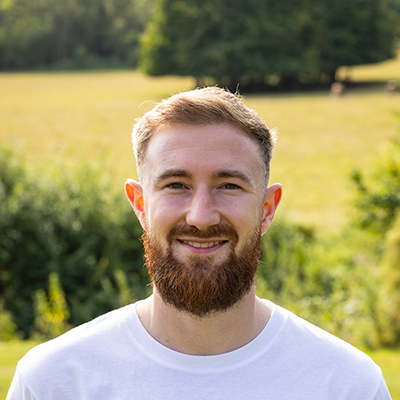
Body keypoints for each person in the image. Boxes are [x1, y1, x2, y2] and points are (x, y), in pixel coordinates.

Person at [7, 87, 391, 400]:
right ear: (140, 204)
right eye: (176, 185)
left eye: (229, 186)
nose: (201, 216)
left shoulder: (347, 385)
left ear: (267, 208)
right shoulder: (53, 382)